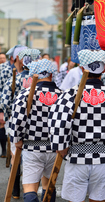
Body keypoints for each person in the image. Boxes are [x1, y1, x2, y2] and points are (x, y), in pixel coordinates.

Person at [48, 49, 105, 202]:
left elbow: (58, 123)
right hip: (103, 159)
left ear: (82, 68)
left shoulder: (69, 95)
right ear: (104, 69)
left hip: (76, 158)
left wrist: (61, 148)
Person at [10, 59, 63, 202]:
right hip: (54, 147)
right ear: (51, 75)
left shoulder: (25, 94)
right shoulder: (63, 95)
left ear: (32, 75)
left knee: (30, 188)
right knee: (48, 186)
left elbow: (17, 120)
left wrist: (17, 140)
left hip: (32, 147)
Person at [0, 48, 41, 199]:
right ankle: (35, 189)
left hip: (16, 121)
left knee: (15, 154)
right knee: (37, 156)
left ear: (21, 60)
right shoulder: (41, 81)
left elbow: (5, 102)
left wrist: (10, 113)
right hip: (38, 124)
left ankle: (16, 191)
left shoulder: (16, 79)